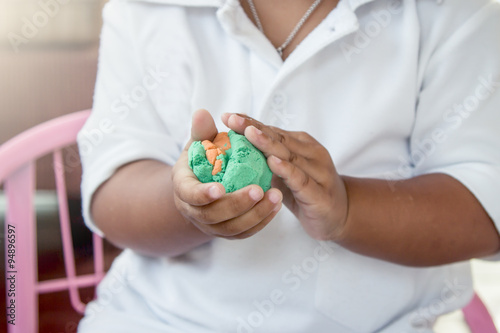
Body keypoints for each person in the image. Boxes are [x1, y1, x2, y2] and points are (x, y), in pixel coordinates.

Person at [77, 0, 500, 332]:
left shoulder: (453, 13)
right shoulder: (141, 11)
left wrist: (349, 209)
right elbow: (111, 190)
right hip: (161, 320)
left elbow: (485, 206)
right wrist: (186, 204)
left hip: (384, 324)